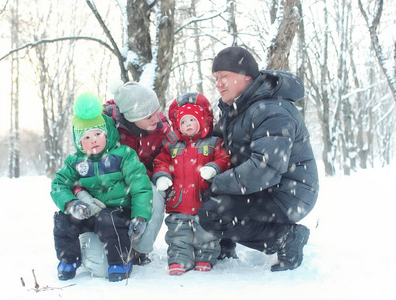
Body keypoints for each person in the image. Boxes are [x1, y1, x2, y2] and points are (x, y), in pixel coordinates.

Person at [197, 46, 319, 272]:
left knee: (212, 210)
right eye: (216, 78)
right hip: (267, 189)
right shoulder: (238, 110)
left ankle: (286, 237)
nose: (218, 84)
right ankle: (226, 243)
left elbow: (265, 169)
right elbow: (213, 140)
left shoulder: (273, 110)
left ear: (246, 77)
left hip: (289, 194)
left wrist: (216, 183)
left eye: (225, 77)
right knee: (209, 196)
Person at [51, 93, 153, 282]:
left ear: (107, 133)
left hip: (118, 211)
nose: (94, 140)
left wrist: (140, 215)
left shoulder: (123, 154)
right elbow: (59, 185)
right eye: (87, 137)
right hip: (90, 211)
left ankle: (120, 261)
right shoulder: (75, 161)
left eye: (98, 134)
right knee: (63, 219)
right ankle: (69, 259)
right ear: (79, 142)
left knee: (109, 219)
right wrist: (71, 204)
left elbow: (140, 184)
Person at [76, 81, 172, 277]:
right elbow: (80, 165)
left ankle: (138, 248)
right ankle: (89, 243)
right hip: (109, 187)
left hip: (141, 181)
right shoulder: (106, 128)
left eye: (157, 111)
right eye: (149, 116)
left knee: (154, 194)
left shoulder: (161, 128)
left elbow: (174, 155)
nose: (157, 118)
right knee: (100, 266)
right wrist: (83, 195)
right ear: (131, 117)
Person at [152, 92, 231, 275]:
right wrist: (162, 176)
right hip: (179, 202)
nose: (187, 125)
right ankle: (180, 259)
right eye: (183, 122)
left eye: (191, 120)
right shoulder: (172, 146)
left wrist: (214, 167)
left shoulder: (213, 143)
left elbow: (224, 158)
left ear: (202, 121)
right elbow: (160, 161)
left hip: (204, 201)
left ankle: (205, 257)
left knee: (206, 233)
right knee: (179, 234)